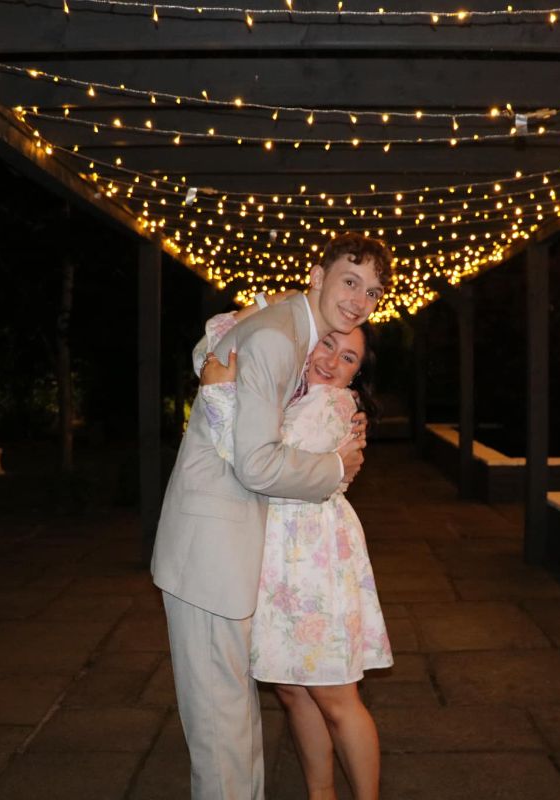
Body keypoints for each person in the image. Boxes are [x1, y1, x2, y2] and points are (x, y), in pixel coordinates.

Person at [150, 233, 393, 800]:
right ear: (318, 275)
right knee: (226, 725)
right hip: (218, 552)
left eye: (373, 291)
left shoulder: (293, 342)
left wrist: (218, 381)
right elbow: (259, 462)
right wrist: (337, 466)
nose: (359, 299)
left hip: (261, 553)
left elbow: (221, 366)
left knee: (234, 721)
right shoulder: (283, 338)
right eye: (350, 281)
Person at [198, 307, 391, 800]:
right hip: (276, 554)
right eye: (327, 344)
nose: (332, 362)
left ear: (356, 374)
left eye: (349, 358)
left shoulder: (331, 406)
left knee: (334, 694)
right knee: (293, 688)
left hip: (312, 558)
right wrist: (268, 309)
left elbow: (258, 463)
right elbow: (221, 337)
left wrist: (217, 395)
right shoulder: (292, 389)